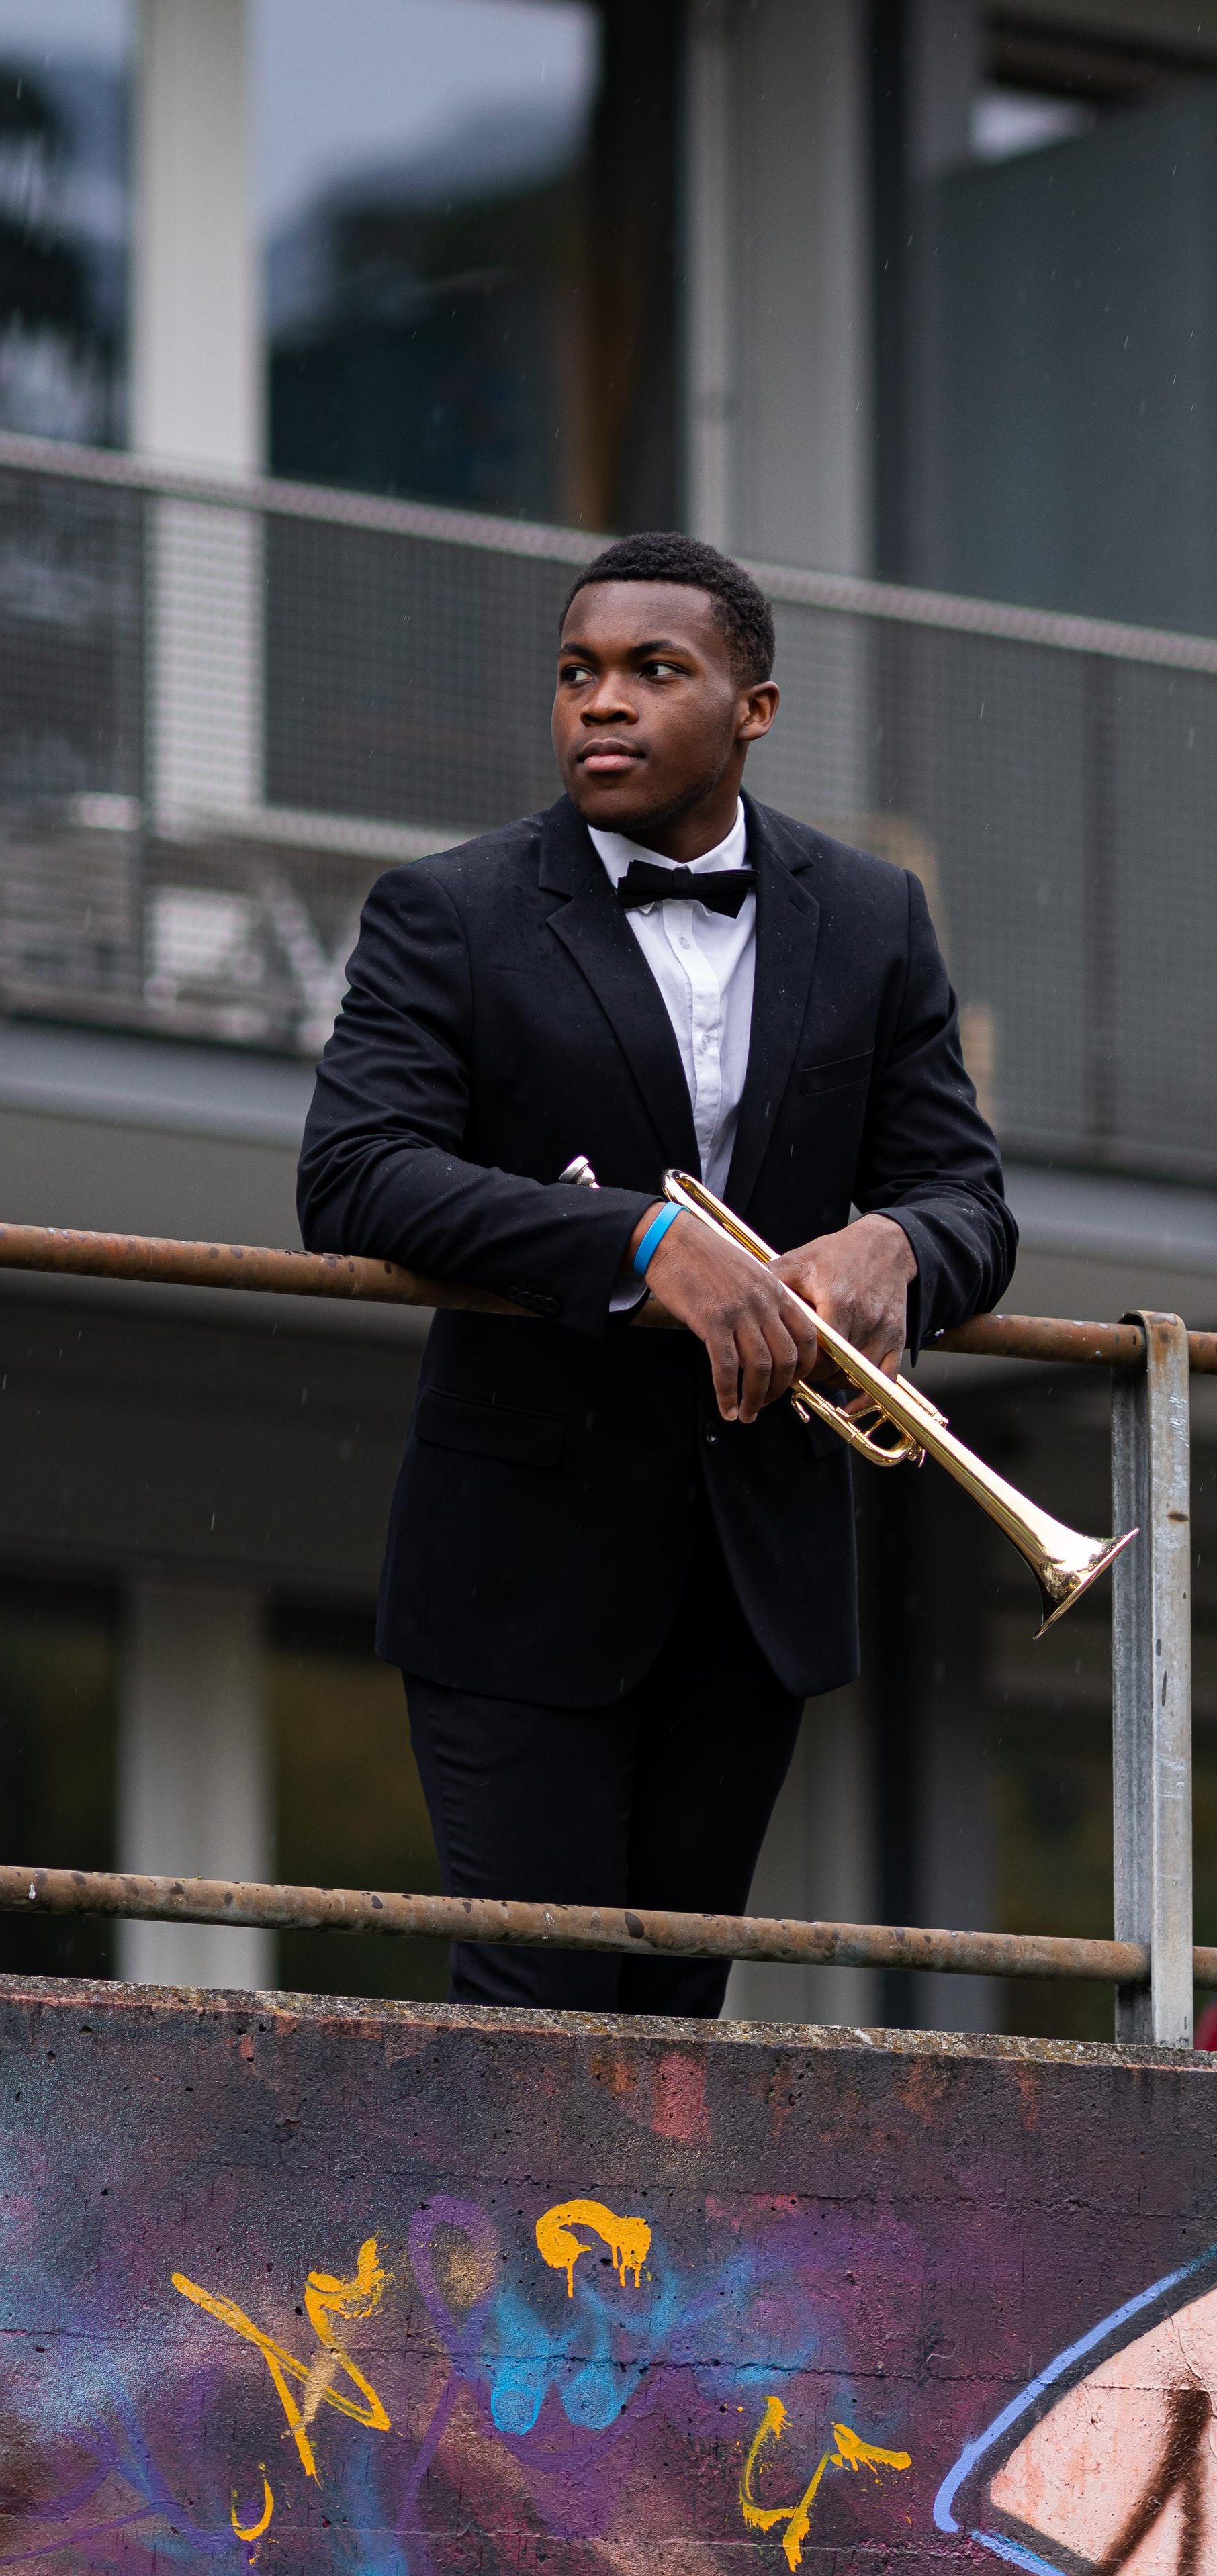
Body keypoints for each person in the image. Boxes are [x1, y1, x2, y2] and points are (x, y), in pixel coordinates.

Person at [296, 531, 1016, 2018]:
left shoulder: (871, 915)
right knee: (533, 2000)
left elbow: (966, 1199)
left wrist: (896, 1242)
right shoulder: (450, 906)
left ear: (752, 707)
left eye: (649, 671)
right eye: (575, 673)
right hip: (517, 1553)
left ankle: (625, 2270)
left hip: (749, 1560)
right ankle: (509, 2265)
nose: (598, 704)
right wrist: (638, 1240)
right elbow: (354, 1170)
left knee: (673, 2016)